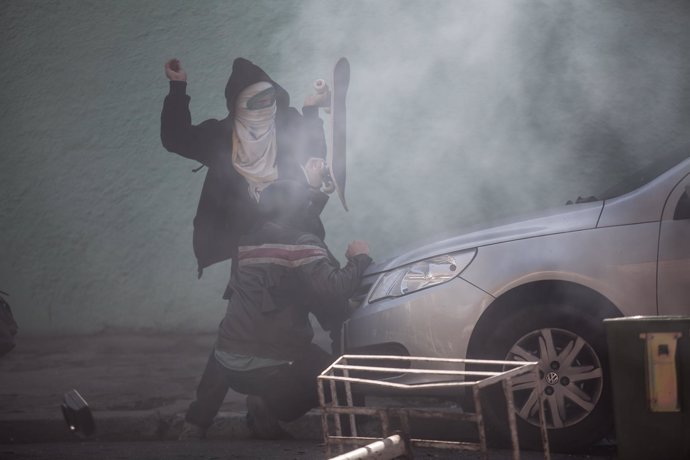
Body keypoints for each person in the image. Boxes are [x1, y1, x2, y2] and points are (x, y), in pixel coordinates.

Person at [179, 180, 372, 439]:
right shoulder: (302, 244)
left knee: (232, 342)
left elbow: (286, 289)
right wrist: (359, 258)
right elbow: (335, 288)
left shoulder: (247, 243)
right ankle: (352, 437)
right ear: (296, 210)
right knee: (342, 378)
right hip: (273, 364)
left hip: (229, 367)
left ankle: (196, 425)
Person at [161, 57, 331, 281]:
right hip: (250, 249)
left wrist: (311, 111)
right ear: (239, 105)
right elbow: (175, 138)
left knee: (326, 287)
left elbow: (313, 148)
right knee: (257, 304)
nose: (266, 107)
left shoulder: (284, 123)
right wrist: (178, 87)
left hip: (298, 231)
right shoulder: (220, 138)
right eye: (257, 102)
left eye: (270, 99)